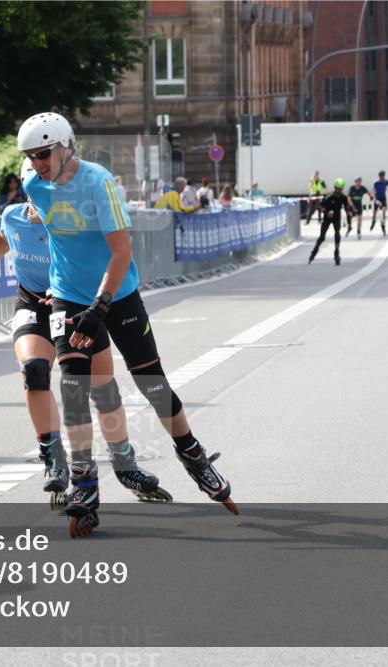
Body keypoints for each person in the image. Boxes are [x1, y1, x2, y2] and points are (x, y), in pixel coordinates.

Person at [18, 111, 238, 536]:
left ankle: (192, 455)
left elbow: (120, 253)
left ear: (66, 147)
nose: (38, 163)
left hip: (116, 294)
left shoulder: (98, 183)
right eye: (31, 156)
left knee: (152, 384)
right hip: (66, 294)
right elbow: (38, 209)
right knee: (74, 384)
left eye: (44, 153)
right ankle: (83, 484)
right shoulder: (34, 183)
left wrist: (99, 308)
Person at [0, 188, 170, 508]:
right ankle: (52, 456)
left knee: (103, 388)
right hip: (34, 304)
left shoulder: (73, 224)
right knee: (34, 370)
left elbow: (106, 262)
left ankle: (125, 463)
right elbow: (4, 237)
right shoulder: (13, 216)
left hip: (74, 307)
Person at [308, 178, 353, 266]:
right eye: (337, 188)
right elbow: (319, 207)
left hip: (336, 217)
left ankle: (336, 253)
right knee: (322, 237)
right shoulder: (329, 196)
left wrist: (349, 223)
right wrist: (326, 212)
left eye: (340, 189)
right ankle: (314, 251)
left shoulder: (344, 197)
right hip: (327, 218)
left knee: (337, 234)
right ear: (334, 187)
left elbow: (347, 210)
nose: (338, 191)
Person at [370, 170, 388, 234]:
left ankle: (383, 225)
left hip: (383, 199)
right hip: (377, 198)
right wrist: (375, 199)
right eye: (380, 176)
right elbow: (374, 191)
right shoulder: (376, 183)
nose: (382, 178)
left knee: (384, 212)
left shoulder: (386, 182)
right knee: (374, 214)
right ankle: (373, 222)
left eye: (383, 176)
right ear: (379, 176)